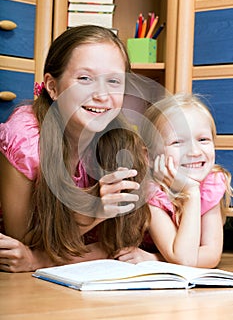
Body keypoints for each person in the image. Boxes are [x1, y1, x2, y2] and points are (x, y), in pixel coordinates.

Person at [0, 25, 151, 272]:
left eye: (113, 81)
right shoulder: (26, 139)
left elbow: (120, 246)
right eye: (85, 79)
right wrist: (95, 209)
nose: (102, 95)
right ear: (53, 87)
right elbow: (24, 242)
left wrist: (39, 260)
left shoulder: (124, 143)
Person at [141, 93, 231, 268]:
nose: (194, 151)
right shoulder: (151, 193)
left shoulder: (210, 184)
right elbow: (183, 258)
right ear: (149, 157)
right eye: (177, 142)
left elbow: (211, 256)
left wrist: (154, 259)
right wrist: (191, 192)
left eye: (203, 139)